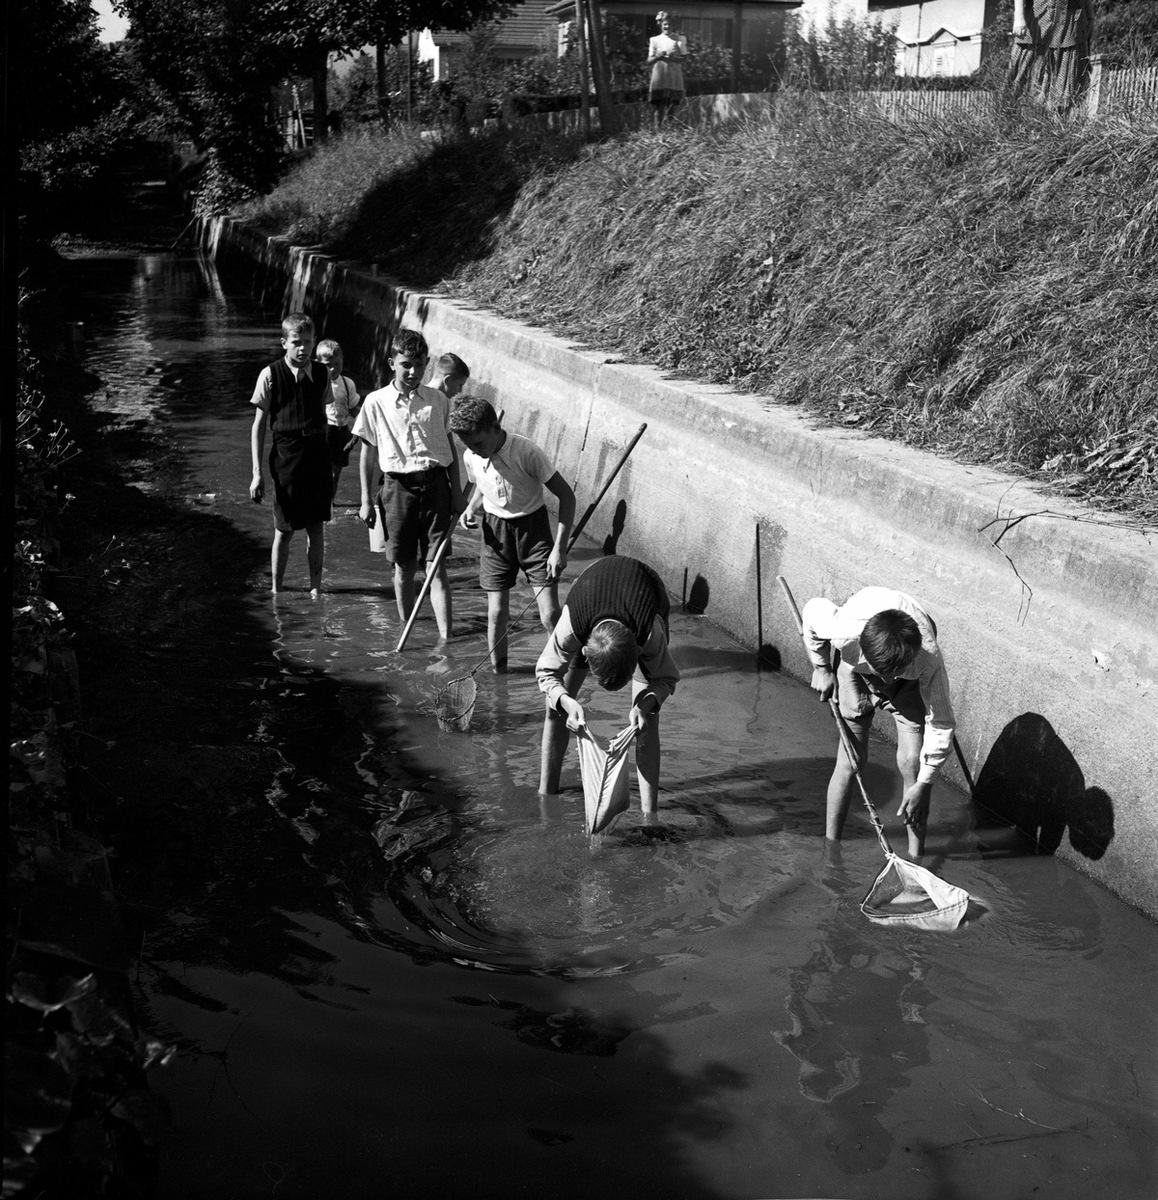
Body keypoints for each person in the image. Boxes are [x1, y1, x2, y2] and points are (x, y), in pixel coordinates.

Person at [800, 586, 956, 857]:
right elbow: (813, 610)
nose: (884, 684)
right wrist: (822, 668)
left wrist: (925, 783)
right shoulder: (843, 632)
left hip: (908, 683)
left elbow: (941, 722)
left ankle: (915, 860)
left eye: (891, 674)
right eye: (880, 674)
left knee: (913, 765)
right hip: (856, 673)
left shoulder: (928, 660)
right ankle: (831, 851)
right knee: (850, 761)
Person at [536, 555, 680, 823]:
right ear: (584, 653)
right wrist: (566, 702)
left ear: (638, 655)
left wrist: (645, 704)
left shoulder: (649, 634)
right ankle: (546, 792)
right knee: (553, 708)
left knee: (647, 722)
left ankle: (650, 816)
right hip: (591, 590)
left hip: (646, 589)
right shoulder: (572, 626)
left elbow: (667, 679)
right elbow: (546, 672)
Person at [449, 398, 576, 671]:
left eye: (480, 444)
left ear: (495, 428)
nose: (475, 451)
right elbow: (481, 486)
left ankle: (565, 670)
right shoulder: (472, 455)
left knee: (550, 614)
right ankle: (500, 673)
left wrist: (559, 548)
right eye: (469, 446)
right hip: (495, 534)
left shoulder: (527, 451)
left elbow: (567, 496)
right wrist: (471, 509)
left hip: (534, 532)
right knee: (496, 613)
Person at [353, 328, 464, 638]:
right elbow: (367, 453)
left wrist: (457, 494)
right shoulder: (376, 402)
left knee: (436, 567)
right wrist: (364, 501)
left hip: (436, 487)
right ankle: (408, 630)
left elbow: (449, 448)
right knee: (403, 567)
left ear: (427, 363)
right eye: (406, 365)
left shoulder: (439, 400)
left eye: (419, 364)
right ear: (392, 363)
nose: (413, 372)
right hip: (396, 490)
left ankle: (446, 639)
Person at [249, 312, 333, 597]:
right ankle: (277, 590)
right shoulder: (270, 375)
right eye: (296, 342)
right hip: (286, 456)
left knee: (316, 526)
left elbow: (326, 416)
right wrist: (257, 473)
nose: (303, 348)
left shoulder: (322, 374)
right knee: (284, 529)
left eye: (308, 342)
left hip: (317, 455)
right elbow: (259, 426)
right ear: (283, 342)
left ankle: (315, 589)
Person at [1008, 0, 1095, 112]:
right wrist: (1019, 18)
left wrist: (1091, 18)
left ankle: (1058, 124)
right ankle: (1022, 119)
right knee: (1024, 83)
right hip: (1039, 20)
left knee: (1066, 92)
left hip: (1071, 23)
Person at [315, 338, 361, 501]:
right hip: (323, 431)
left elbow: (353, 409)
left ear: (342, 361)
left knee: (335, 474)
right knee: (321, 472)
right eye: (328, 365)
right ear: (318, 363)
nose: (333, 368)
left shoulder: (348, 384)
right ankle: (317, 502)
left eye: (337, 363)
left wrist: (366, 421)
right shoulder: (316, 383)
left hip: (342, 432)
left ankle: (330, 504)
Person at [647, 11, 688, 118]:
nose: (667, 26)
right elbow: (648, 61)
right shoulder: (654, 40)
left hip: (673, 78)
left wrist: (674, 58)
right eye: (665, 24)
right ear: (661, 25)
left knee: (671, 110)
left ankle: (670, 133)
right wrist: (657, 56)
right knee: (658, 110)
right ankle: (658, 134)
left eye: (670, 24)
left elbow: (685, 59)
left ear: (673, 25)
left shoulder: (680, 39)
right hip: (659, 79)